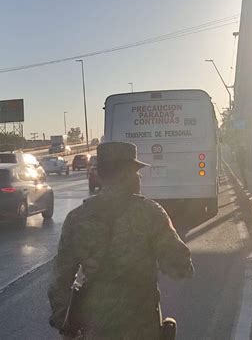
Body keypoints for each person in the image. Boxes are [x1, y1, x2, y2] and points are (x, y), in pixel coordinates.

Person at [48, 141, 194, 339]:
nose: (139, 177)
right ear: (127, 175)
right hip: (142, 328)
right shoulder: (150, 214)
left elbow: (60, 277)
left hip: (95, 329)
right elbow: (180, 269)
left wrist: (64, 321)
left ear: (100, 175)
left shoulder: (76, 218)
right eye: (137, 172)